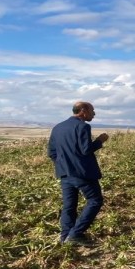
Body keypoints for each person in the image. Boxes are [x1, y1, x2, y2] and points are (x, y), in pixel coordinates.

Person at [47, 101, 109, 246]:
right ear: (83, 110)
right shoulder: (83, 126)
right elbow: (85, 150)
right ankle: (75, 234)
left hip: (64, 173)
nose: (94, 114)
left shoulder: (58, 127)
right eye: (92, 110)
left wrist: (63, 165)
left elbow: (51, 152)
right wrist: (99, 141)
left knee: (69, 205)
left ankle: (65, 236)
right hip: (82, 173)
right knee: (95, 201)